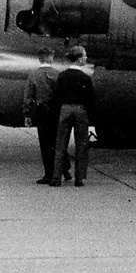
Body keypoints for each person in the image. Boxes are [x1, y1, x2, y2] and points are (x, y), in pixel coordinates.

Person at [50, 46, 95, 187]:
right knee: (81, 145)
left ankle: (56, 178)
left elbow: (56, 95)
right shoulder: (85, 77)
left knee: (60, 145)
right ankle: (79, 178)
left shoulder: (62, 76)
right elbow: (91, 98)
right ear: (80, 58)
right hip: (80, 110)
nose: (86, 58)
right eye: (85, 56)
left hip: (65, 109)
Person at [23, 49, 68, 185]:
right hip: (56, 110)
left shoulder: (34, 75)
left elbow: (28, 96)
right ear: (51, 58)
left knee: (45, 143)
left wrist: (27, 114)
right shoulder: (57, 74)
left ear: (39, 59)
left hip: (41, 111)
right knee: (57, 141)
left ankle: (49, 174)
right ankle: (64, 169)